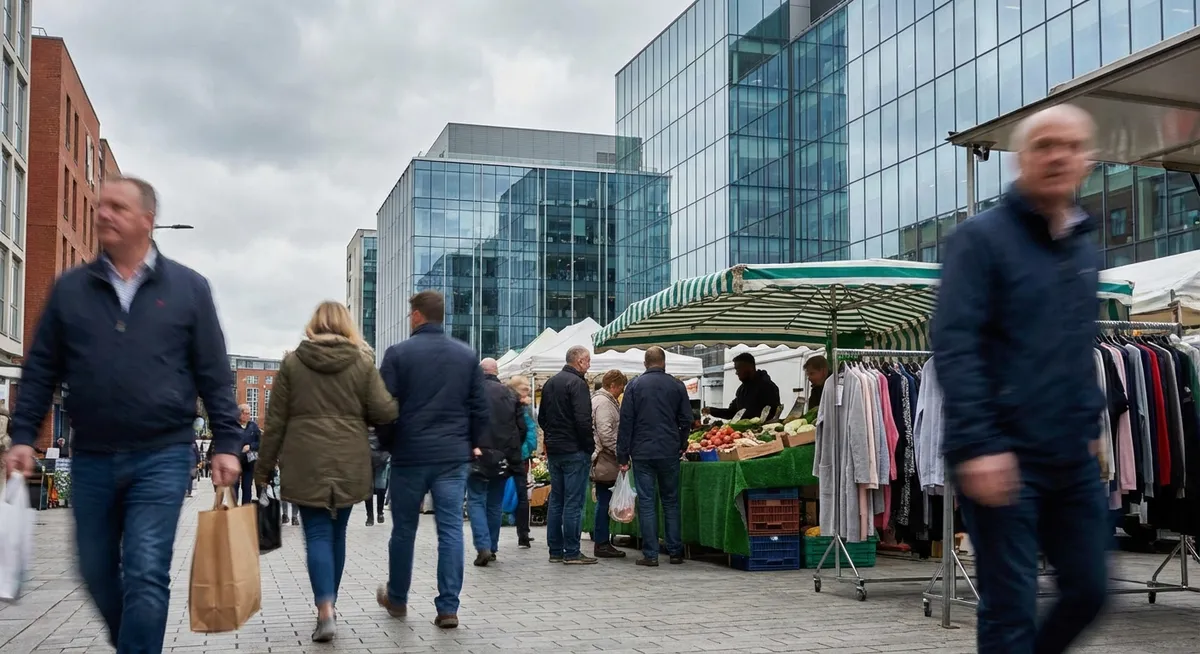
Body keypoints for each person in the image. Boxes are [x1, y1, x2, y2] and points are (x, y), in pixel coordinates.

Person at [3, 176, 244, 654]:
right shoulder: (72, 289)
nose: (102, 214)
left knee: (146, 569)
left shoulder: (188, 289)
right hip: (91, 455)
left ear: (146, 222)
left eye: (116, 207)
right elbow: (41, 367)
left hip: (163, 454)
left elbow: (215, 375)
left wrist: (227, 443)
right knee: (94, 570)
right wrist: (24, 435)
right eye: (100, 206)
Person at [933, 104, 1107, 654]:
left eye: (1070, 145)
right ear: (1020, 160)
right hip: (1001, 454)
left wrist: (1092, 423)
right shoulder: (979, 240)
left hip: (1070, 454)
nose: (1057, 155)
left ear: (1088, 160)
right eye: (1044, 145)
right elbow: (955, 346)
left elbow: (1079, 346)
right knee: (1010, 606)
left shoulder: (1082, 246)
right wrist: (980, 444)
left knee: (1090, 590)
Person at [253, 301, 399, 643]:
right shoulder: (362, 364)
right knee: (337, 535)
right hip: (349, 458)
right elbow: (384, 411)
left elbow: (274, 422)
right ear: (347, 326)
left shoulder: (292, 364)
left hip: (305, 459)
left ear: (313, 326)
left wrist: (263, 470)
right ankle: (329, 605)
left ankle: (325, 611)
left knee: (317, 534)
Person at [375, 290, 489, 630]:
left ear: (416, 315)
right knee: (451, 530)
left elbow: (382, 407)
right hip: (453, 456)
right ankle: (448, 607)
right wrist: (473, 443)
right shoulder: (466, 355)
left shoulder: (398, 354)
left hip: (410, 455)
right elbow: (480, 407)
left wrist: (390, 442)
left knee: (404, 530)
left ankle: (397, 599)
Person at [617, 347, 692, 566]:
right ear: (664, 362)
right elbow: (686, 418)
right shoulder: (677, 385)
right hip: (669, 450)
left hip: (642, 452)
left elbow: (626, 423)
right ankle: (675, 551)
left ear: (645, 363)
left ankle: (650, 555)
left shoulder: (634, 386)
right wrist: (681, 442)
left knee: (647, 503)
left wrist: (622, 455)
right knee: (670, 501)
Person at [538, 345, 596, 565]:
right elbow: (583, 420)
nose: (589, 365)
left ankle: (555, 550)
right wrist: (588, 446)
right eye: (588, 360)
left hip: (555, 450)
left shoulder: (551, 383)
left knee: (557, 501)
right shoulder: (578, 384)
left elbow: (542, 417)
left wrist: (552, 436)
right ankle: (572, 551)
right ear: (579, 361)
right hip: (574, 450)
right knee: (574, 502)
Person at [467, 358, 526, 566]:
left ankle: (483, 546)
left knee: (475, 501)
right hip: (501, 457)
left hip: (476, 455)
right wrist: (512, 457)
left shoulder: (470, 392)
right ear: (497, 371)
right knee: (494, 504)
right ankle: (491, 547)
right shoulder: (509, 394)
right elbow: (520, 429)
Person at [590, 369, 628, 559]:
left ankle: (602, 541)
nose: (621, 391)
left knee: (604, 499)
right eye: (620, 387)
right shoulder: (604, 403)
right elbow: (606, 433)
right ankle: (602, 542)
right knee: (604, 500)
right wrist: (620, 452)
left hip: (604, 457)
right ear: (613, 385)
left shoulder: (600, 400)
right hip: (606, 458)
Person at [506, 375, 538, 548]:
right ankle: (523, 534)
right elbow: (529, 432)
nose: (529, 392)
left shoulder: (505, 403)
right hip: (519, 455)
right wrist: (528, 449)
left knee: (517, 494)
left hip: (510, 454)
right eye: (526, 389)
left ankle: (523, 533)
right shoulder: (523, 408)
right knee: (521, 495)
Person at [703, 352, 781, 422]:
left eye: (738, 369)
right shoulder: (741, 390)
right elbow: (732, 412)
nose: (736, 373)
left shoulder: (768, 387)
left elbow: (774, 415)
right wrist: (712, 410)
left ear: (749, 367)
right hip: (744, 433)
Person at [236, 404, 261, 505]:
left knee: (247, 487)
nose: (247, 416)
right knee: (234, 487)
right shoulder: (234, 426)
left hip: (249, 461)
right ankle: (234, 510)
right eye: (245, 413)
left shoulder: (253, 426)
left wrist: (250, 446)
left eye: (249, 414)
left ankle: (245, 509)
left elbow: (260, 442)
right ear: (239, 414)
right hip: (236, 460)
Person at [365, 427, 389, 527]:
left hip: (376, 460)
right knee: (377, 489)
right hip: (374, 460)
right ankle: (376, 514)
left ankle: (374, 516)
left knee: (375, 489)